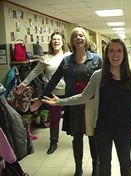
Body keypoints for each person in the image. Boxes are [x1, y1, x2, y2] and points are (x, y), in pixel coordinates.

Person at [41, 38, 131, 176]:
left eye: (119, 50)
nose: (115, 54)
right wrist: (60, 102)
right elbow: (83, 96)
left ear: (124, 53)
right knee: (104, 164)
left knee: (126, 163)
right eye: (111, 51)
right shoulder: (99, 75)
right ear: (106, 54)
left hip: (124, 127)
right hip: (102, 128)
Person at [30, 27, 102, 176]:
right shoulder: (66, 60)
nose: (79, 38)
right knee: (77, 137)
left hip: (91, 104)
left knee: (93, 137)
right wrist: (40, 98)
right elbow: (53, 81)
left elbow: (105, 82)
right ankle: (78, 168)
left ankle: (96, 167)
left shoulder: (96, 59)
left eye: (81, 35)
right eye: (75, 36)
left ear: (86, 39)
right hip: (73, 104)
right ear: (72, 40)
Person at [15, 32, 70, 154]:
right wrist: (24, 83)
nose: (56, 41)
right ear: (51, 42)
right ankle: (53, 143)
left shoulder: (69, 56)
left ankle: (77, 140)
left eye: (58, 39)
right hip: (52, 93)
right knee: (54, 119)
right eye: (54, 39)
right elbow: (35, 72)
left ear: (62, 42)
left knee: (76, 118)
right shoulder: (46, 58)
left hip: (69, 93)